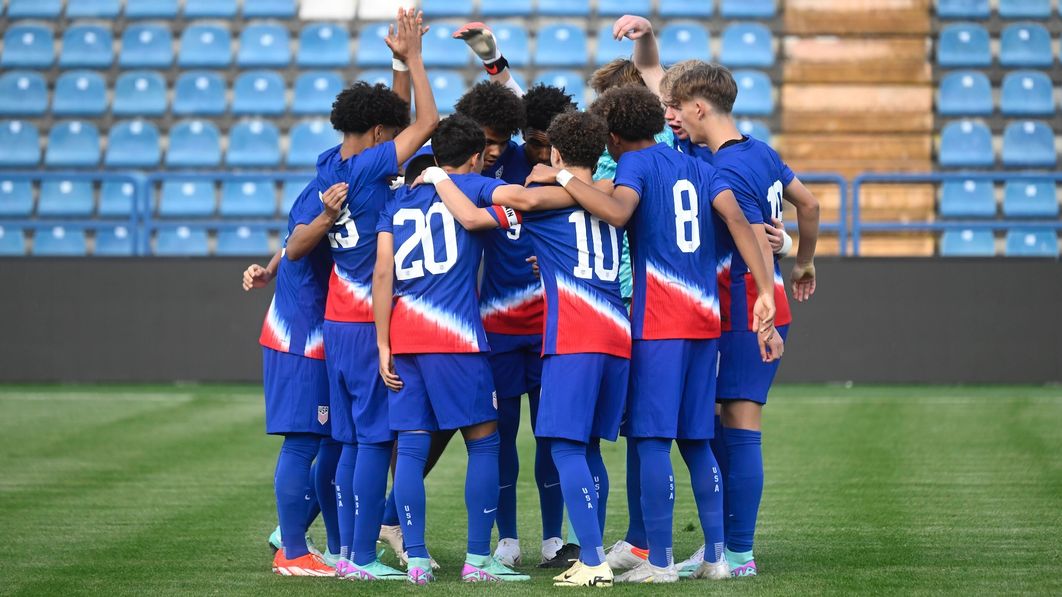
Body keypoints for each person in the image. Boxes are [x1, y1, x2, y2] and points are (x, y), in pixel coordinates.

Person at [526, 84, 779, 582]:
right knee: (698, 440)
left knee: (652, 440)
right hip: (706, 321)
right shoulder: (700, 166)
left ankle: (660, 561)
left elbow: (616, 212)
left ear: (615, 136)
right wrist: (765, 289)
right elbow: (736, 219)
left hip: (659, 322)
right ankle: (716, 558)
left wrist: (559, 175)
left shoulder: (635, 167)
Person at [424, 110, 628, 588]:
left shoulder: (542, 201)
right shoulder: (614, 196)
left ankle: (594, 562)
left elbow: (473, 216)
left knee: (564, 446)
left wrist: (436, 175)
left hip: (575, 336)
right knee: (589, 446)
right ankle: (584, 549)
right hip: (617, 332)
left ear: (555, 152)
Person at [284, 8, 439, 581]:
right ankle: (362, 556)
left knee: (349, 443)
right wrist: (416, 60)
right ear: (379, 136)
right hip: (370, 319)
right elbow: (424, 122)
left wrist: (396, 64)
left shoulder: (328, 167)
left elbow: (390, 118)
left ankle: (348, 551)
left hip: (334, 324)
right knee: (375, 442)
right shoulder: (376, 167)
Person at [666, 60, 820, 578]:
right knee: (715, 424)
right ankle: (722, 546)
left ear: (699, 107)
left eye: (677, 108)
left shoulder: (726, 168)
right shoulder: (759, 150)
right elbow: (811, 203)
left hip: (746, 307)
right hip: (754, 301)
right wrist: (803, 259)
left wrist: (765, 309)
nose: (672, 117)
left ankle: (738, 552)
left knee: (741, 424)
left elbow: (753, 239)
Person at [372, 114, 538, 584]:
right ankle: (477, 559)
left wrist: (381, 342)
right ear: (474, 158)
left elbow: (382, 275)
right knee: (485, 442)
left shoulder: (397, 201)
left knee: (410, 449)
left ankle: (418, 560)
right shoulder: (476, 187)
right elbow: (518, 203)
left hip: (403, 339)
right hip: (458, 341)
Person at [242, 184, 344, 577]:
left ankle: (324, 543)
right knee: (303, 441)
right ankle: (293, 550)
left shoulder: (334, 182)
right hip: (299, 336)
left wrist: (268, 269)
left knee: (335, 440)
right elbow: (297, 242)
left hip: (323, 335)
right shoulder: (330, 188)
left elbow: (289, 244)